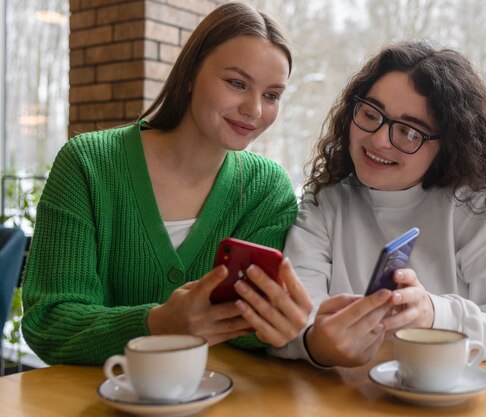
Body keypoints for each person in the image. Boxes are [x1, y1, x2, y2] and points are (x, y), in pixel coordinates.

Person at [22, 2, 312, 365]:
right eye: (237, 83)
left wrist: (284, 326)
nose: (254, 109)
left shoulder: (268, 190)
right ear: (190, 75)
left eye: (272, 95)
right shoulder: (88, 163)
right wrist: (156, 323)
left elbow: (250, 333)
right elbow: (47, 323)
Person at [270, 40, 486, 368]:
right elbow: (292, 316)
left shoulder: (482, 214)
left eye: (410, 132)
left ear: (449, 145)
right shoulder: (326, 207)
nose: (380, 139)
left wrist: (434, 314)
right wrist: (314, 342)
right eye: (370, 114)